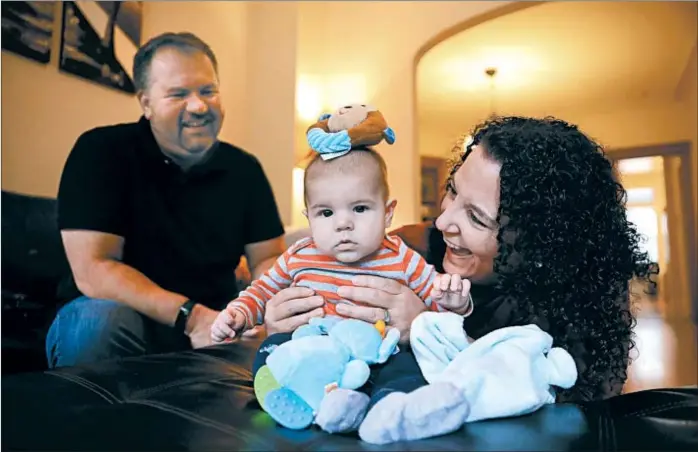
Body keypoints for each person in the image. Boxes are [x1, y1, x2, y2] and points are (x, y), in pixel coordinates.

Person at [260, 115, 655, 438]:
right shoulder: (407, 249)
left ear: (535, 246)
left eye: (476, 217)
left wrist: (429, 329)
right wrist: (285, 326)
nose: (444, 220)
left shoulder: (582, 312)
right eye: (452, 191)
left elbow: (564, 419)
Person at [45, 32, 287, 368]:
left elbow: (269, 257)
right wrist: (191, 317)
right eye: (178, 94)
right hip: (126, 318)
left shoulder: (244, 169)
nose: (199, 106)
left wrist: (258, 309)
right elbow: (94, 270)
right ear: (146, 104)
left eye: (208, 91)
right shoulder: (100, 151)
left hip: (215, 323)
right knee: (97, 322)